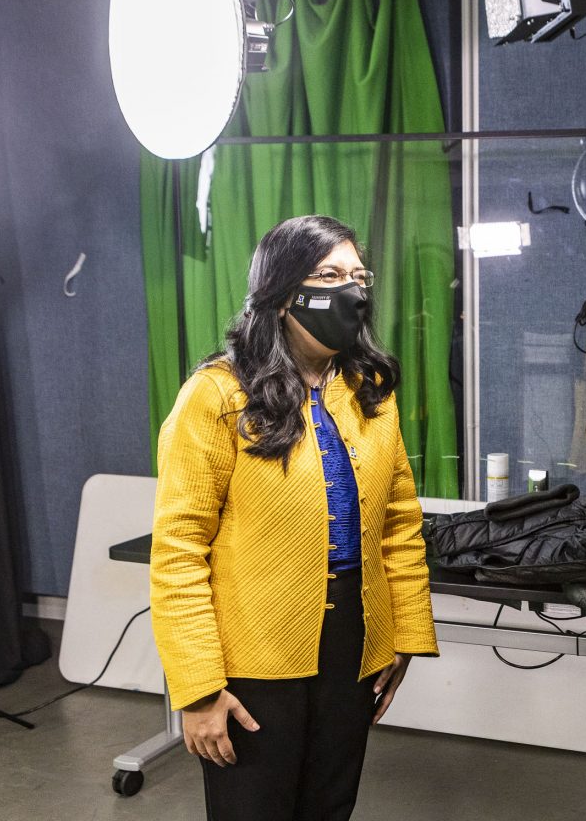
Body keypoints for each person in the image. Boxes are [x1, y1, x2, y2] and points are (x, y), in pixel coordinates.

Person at [149, 215, 438, 821]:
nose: (352, 290)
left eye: (359, 276)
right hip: (254, 652)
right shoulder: (216, 395)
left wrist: (403, 636)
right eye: (329, 275)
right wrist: (198, 691)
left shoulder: (368, 391)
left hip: (353, 642)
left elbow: (398, 525)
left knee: (329, 806)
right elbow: (178, 550)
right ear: (282, 295)